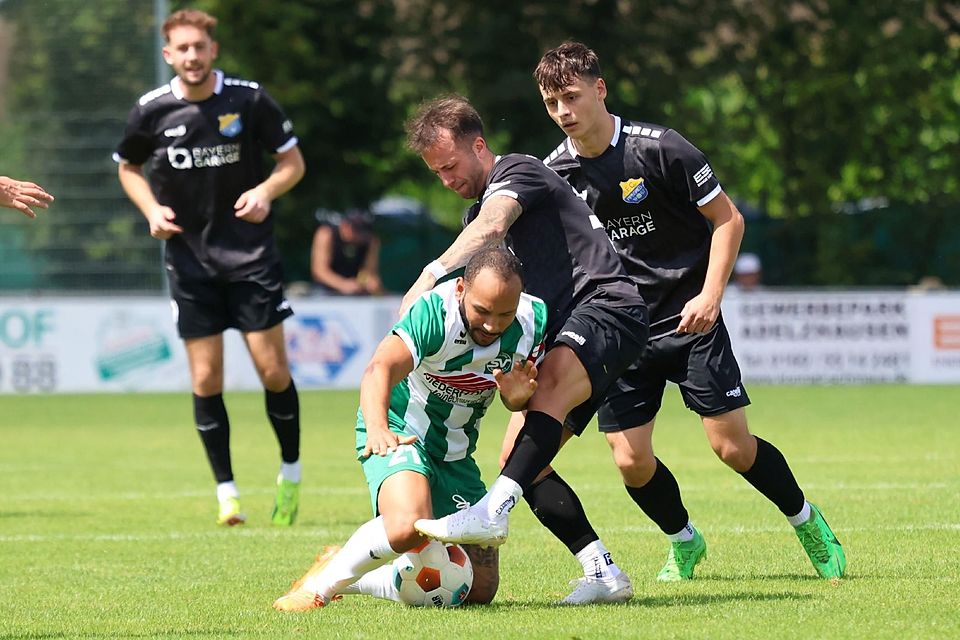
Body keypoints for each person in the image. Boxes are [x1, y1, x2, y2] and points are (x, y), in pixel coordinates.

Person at [518, 41, 844, 581]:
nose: (563, 113)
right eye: (552, 104)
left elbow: (729, 219)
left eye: (571, 97)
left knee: (732, 447)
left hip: (692, 318)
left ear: (600, 89)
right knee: (630, 461)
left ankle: (807, 520)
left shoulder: (660, 148)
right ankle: (684, 540)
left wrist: (711, 295)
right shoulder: (556, 174)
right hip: (620, 330)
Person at [400, 96, 650, 583]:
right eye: (437, 173)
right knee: (522, 460)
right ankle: (601, 571)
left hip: (607, 307)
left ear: (479, 146)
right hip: (567, 335)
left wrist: (427, 276)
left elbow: (495, 223)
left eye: (451, 165)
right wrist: (511, 387)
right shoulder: (472, 224)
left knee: (546, 403)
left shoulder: (520, 170)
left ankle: (492, 509)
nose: (448, 180)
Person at [272, 247, 546, 612]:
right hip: (401, 429)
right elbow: (378, 369)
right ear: (461, 289)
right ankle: (319, 588)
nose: (493, 325)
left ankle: (344, 569)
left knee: (478, 588)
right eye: (482, 311)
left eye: (504, 314)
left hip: (456, 453)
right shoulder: (435, 314)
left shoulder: (533, 321)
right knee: (405, 526)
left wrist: (515, 399)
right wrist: (378, 427)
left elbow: (521, 400)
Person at [114, 8, 306, 527]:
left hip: (251, 256)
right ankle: (228, 495)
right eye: (183, 49)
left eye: (200, 47)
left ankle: (290, 475)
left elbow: (292, 161)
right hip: (189, 260)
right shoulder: (150, 111)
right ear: (168, 55)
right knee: (205, 377)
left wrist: (266, 190)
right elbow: (127, 168)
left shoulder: (248, 98)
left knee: (273, 371)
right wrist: (151, 210)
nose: (193, 57)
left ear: (212, 50)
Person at [310, 209, 384, 295]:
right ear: (346, 225)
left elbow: (369, 271)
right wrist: (343, 284)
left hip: (356, 290)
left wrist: (369, 282)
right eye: (358, 231)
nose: (361, 237)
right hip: (326, 290)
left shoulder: (370, 241)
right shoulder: (326, 234)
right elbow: (319, 271)